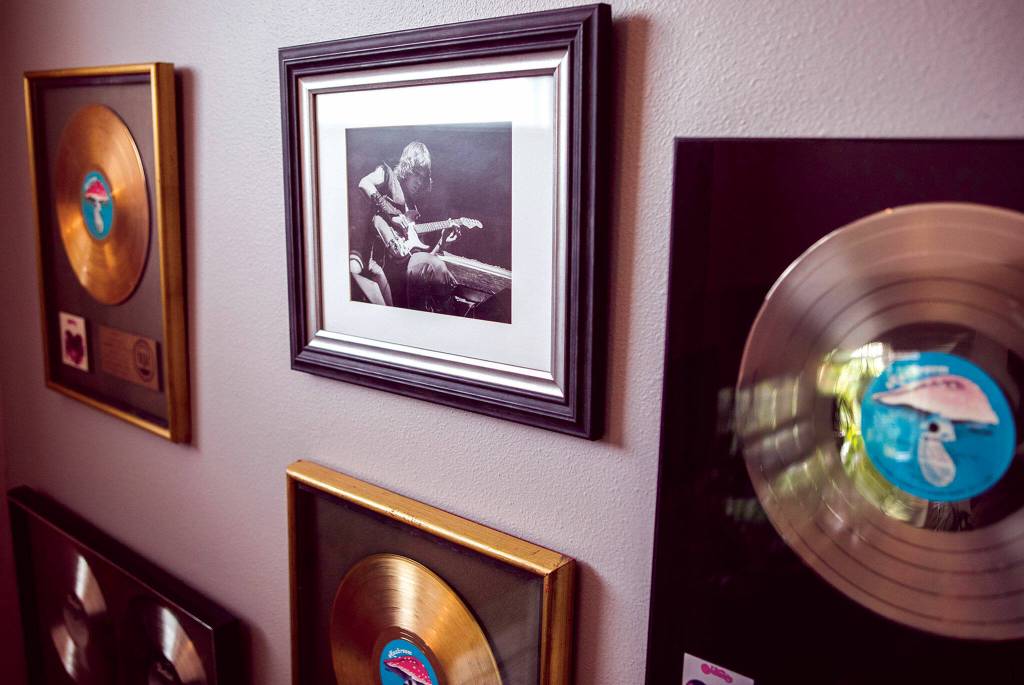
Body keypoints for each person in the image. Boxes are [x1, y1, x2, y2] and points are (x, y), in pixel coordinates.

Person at [350, 141, 458, 311]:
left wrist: (442, 242)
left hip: (405, 269)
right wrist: (391, 213)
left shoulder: (413, 208)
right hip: (381, 262)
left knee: (436, 266)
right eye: (416, 174)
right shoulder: (388, 175)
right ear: (407, 168)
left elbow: (422, 260)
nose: (419, 182)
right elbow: (364, 183)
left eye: (423, 177)